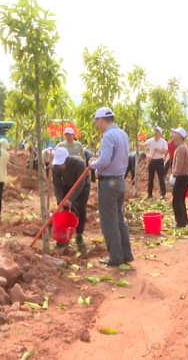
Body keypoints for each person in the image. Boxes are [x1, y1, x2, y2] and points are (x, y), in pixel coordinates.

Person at [89, 107, 133, 266]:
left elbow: (104, 161)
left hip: (108, 182)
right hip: (120, 180)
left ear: (102, 120)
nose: (97, 125)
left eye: (97, 122)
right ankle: (126, 254)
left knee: (109, 221)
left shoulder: (108, 136)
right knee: (120, 219)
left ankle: (115, 257)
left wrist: (93, 164)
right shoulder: (123, 134)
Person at [52, 146, 91, 250]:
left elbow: (80, 183)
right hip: (67, 185)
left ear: (67, 159)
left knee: (79, 208)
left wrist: (71, 199)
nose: (61, 165)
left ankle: (79, 236)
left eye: (62, 163)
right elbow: (57, 186)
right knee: (63, 210)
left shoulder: (79, 163)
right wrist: (60, 201)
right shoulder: (55, 167)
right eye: (59, 163)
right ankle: (63, 238)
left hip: (82, 186)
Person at [169, 128, 188, 228]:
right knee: (180, 200)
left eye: (175, 134)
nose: (172, 136)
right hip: (184, 177)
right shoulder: (182, 147)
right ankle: (184, 220)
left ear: (180, 136)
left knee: (176, 201)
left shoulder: (181, 148)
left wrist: (174, 175)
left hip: (181, 177)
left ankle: (180, 223)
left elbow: (179, 165)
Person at [145, 127, 168, 200]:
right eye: (155, 131)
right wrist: (138, 143)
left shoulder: (163, 142)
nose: (155, 133)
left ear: (160, 133)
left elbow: (166, 152)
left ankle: (163, 194)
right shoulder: (151, 141)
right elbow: (144, 145)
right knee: (150, 178)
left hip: (159, 161)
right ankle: (149, 194)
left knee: (161, 178)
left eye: (157, 131)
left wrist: (158, 150)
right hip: (152, 161)